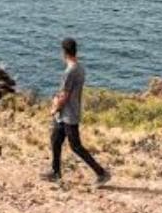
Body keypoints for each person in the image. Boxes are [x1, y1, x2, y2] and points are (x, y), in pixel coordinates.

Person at [41, 38, 112, 187]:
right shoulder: (80, 68)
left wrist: (54, 107)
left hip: (69, 115)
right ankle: (55, 172)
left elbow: (65, 95)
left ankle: (101, 173)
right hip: (66, 114)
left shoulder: (69, 72)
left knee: (76, 146)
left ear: (64, 52)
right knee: (55, 139)